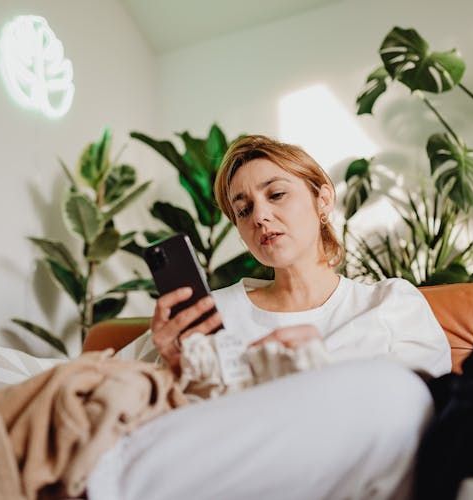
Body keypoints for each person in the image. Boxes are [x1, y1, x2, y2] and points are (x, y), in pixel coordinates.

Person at [85, 135, 452, 500]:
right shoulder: (209, 311)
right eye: (243, 210)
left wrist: (314, 374)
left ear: (322, 199)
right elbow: (100, 388)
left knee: (398, 393)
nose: (260, 217)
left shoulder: (389, 303)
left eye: (276, 195)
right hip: (209, 472)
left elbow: (423, 419)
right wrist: (170, 366)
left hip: (335, 477)